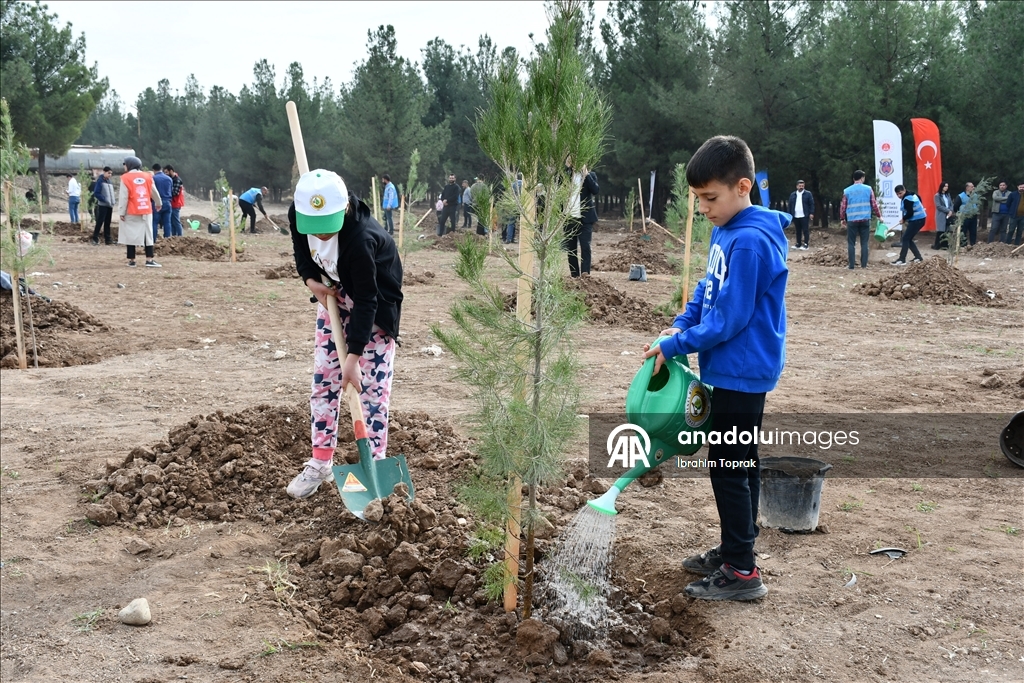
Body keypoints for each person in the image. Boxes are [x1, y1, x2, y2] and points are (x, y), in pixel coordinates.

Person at [642, 136, 788, 601]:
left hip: (742, 371)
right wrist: (682, 322)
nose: (703, 208)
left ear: (742, 186)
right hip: (728, 367)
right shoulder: (727, 228)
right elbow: (710, 289)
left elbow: (730, 317)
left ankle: (742, 572)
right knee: (738, 462)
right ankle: (735, 547)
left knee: (729, 464)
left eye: (710, 198)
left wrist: (679, 342)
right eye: (698, 199)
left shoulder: (749, 241)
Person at [284, 169, 403, 499]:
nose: (319, 236)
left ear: (344, 211)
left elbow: (368, 299)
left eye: (327, 228)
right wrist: (311, 281)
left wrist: (353, 357)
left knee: (371, 393)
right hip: (334, 299)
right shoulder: (301, 214)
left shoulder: (361, 239)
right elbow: (301, 251)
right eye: (314, 228)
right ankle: (320, 462)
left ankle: (375, 466)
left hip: (374, 311)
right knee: (324, 383)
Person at [117, 156, 162, 268]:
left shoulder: (125, 178)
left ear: (129, 165)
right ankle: (149, 260)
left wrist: (121, 212)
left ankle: (132, 261)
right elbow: (154, 191)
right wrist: (158, 203)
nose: (124, 166)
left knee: (130, 235)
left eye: (125, 164)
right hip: (146, 209)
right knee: (148, 234)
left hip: (131, 211)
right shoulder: (148, 176)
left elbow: (124, 197)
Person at [839, 170, 882, 270]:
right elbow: (874, 204)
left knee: (851, 243)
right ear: (862, 178)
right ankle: (864, 265)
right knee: (864, 243)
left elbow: (843, 206)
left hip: (852, 220)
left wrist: (842, 218)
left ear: (853, 178)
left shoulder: (847, 191)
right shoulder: (868, 189)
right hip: (865, 219)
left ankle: (851, 265)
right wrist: (879, 216)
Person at [563, 166, 598, 276]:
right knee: (571, 250)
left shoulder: (590, 175)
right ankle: (574, 276)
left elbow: (595, 190)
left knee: (585, 247)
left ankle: (585, 275)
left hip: (585, 219)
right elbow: (558, 186)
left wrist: (586, 174)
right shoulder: (565, 175)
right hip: (569, 218)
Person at [892, 185, 926, 266]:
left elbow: (910, 213)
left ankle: (902, 259)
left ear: (904, 190)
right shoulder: (912, 195)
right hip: (919, 219)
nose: (899, 196)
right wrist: (905, 218)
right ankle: (918, 257)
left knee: (905, 238)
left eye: (900, 193)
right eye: (897, 194)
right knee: (908, 239)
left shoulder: (908, 199)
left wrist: (904, 219)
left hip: (917, 220)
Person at [787, 179, 814, 250]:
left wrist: (811, 213)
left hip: (804, 215)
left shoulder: (808, 194)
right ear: (797, 186)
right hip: (795, 215)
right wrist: (789, 214)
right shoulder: (793, 195)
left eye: (802, 186)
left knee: (805, 230)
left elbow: (811, 204)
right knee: (797, 230)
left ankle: (806, 244)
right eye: (800, 186)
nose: (801, 187)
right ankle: (798, 243)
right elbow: (790, 205)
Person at [91, 167, 115, 245]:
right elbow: (96, 193)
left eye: (111, 173)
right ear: (104, 172)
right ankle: (95, 238)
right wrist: (104, 199)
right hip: (103, 205)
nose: (110, 175)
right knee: (100, 222)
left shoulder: (109, 181)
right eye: (108, 173)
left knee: (108, 222)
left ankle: (108, 239)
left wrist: (112, 201)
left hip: (109, 205)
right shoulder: (100, 181)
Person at [150, 164, 173, 241]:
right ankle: (167, 240)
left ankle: (153, 240)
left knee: (154, 222)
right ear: (161, 169)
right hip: (168, 202)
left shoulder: (153, 178)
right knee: (167, 222)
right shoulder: (169, 179)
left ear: (154, 170)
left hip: (157, 202)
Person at [932, 181, 954, 249]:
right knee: (940, 230)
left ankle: (945, 245)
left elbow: (951, 204)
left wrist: (950, 210)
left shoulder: (948, 195)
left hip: (948, 214)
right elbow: (938, 206)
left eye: (947, 186)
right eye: (945, 186)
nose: (946, 188)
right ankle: (937, 245)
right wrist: (948, 211)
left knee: (947, 230)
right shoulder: (937, 195)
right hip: (941, 215)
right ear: (942, 187)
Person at [165, 165, 185, 237]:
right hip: (172, 203)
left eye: (166, 172)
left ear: (171, 171)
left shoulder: (177, 180)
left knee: (176, 221)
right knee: (172, 221)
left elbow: (175, 193)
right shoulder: (172, 179)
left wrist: (166, 192)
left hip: (175, 203)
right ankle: (174, 236)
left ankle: (180, 236)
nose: (166, 174)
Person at [504, 173, 524, 244]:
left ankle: (509, 239)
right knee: (523, 223)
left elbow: (509, 194)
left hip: (513, 204)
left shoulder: (513, 184)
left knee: (511, 222)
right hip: (523, 205)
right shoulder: (524, 184)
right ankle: (523, 240)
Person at [1004, 182, 1024, 246]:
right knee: (1011, 230)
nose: (1022, 188)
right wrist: (1011, 211)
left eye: (1023, 187)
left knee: (1020, 231)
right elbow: (1008, 204)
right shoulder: (1013, 194)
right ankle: (1007, 243)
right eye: (1021, 187)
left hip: (1023, 216)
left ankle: (1017, 244)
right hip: (1014, 216)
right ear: (1017, 187)